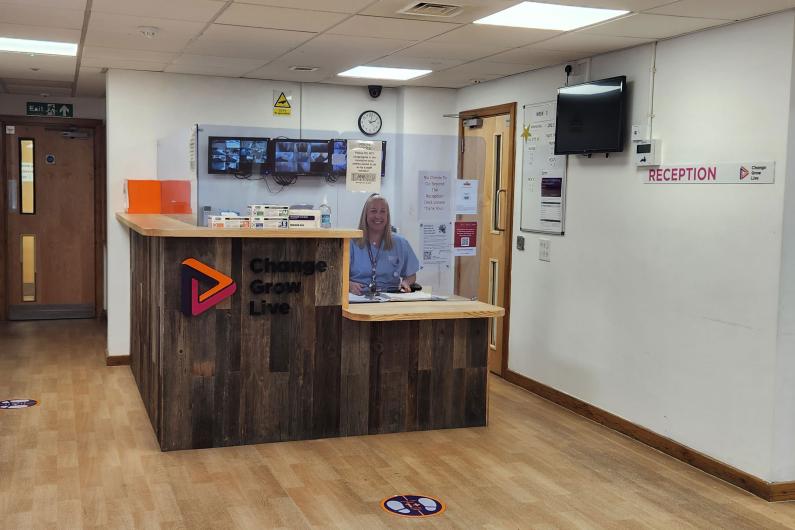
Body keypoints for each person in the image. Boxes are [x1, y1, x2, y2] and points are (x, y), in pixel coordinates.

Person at [349, 194, 419, 295]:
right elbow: (337, 275)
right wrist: (349, 284)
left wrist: (406, 282)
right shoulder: (351, 242)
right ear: (365, 215)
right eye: (373, 211)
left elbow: (411, 275)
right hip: (358, 297)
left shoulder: (401, 243)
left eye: (382, 211)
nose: (378, 216)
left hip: (391, 298)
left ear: (387, 216)